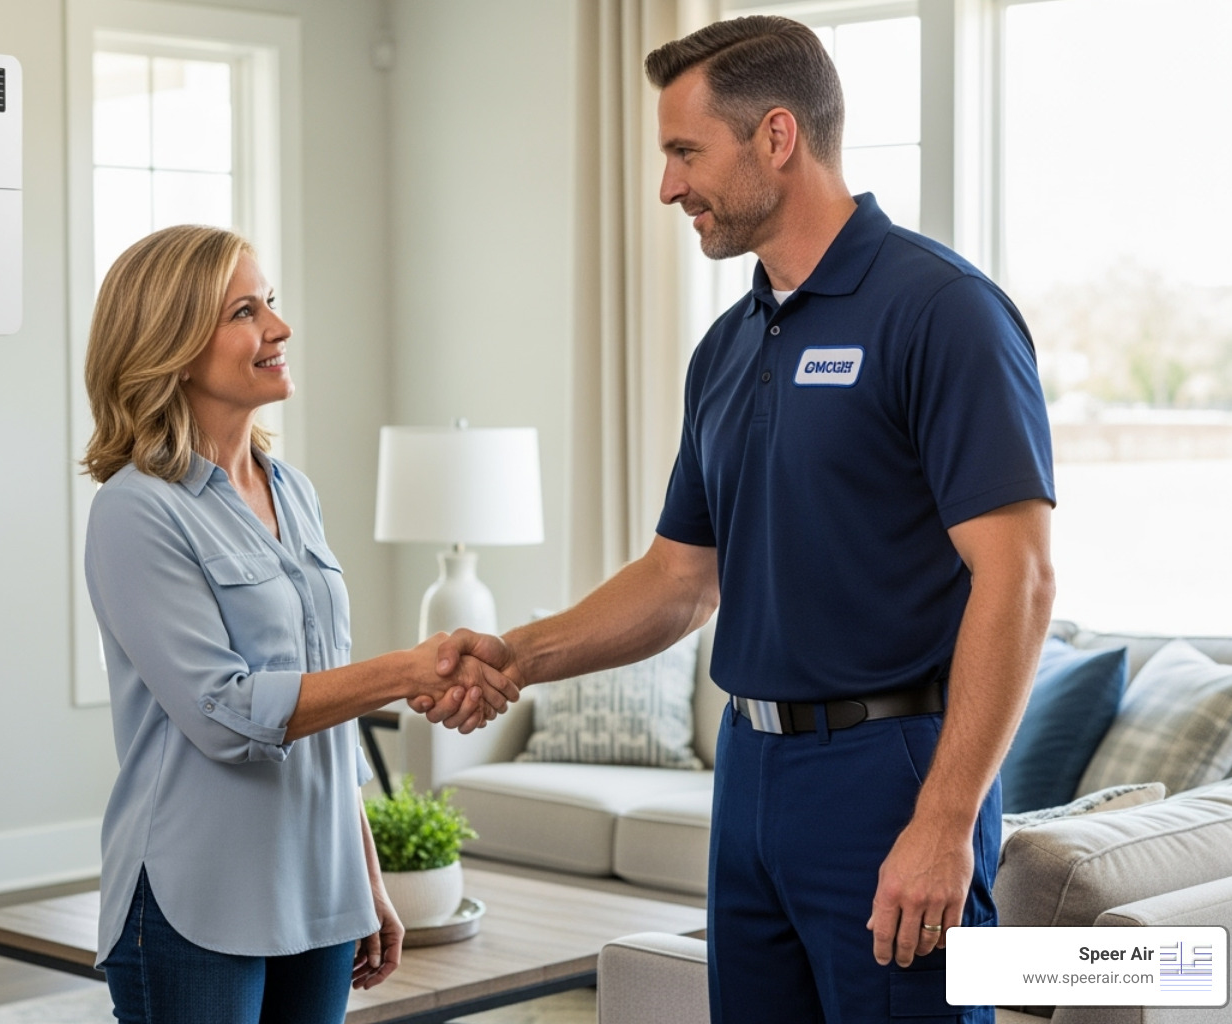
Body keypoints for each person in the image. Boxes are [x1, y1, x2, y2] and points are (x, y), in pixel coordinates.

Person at [423, 15, 1055, 1024]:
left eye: (685, 151)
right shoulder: (727, 346)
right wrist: (517, 656)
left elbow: (1017, 578)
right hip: (750, 772)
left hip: (890, 773)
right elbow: (680, 580)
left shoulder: (943, 311)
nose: (668, 186)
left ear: (776, 136)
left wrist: (945, 821)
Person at [80, 224, 517, 1024]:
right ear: (173, 345)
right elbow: (226, 713)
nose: (279, 328)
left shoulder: (294, 492)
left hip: (318, 889)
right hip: (197, 898)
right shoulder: (135, 510)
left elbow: (328, 713)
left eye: (270, 303)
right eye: (245, 311)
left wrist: (364, 874)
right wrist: (407, 670)